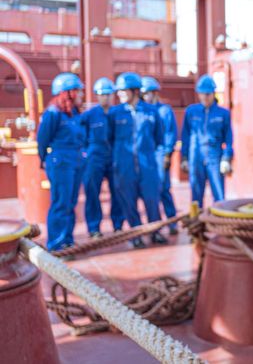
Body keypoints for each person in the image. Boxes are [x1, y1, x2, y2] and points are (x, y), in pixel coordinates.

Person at [108, 71, 166, 248]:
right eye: (118, 91)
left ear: (134, 91)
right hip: (124, 166)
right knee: (128, 201)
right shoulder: (114, 113)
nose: (119, 94)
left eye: (123, 91)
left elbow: (159, 137)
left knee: (151, 200)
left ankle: (154, 232)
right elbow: (109, 138)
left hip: (147, 164)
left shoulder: (151, 112)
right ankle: (136, 235)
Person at [37, 72, 86, 251]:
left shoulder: (73, 113)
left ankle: (67, 240)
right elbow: (42, 140)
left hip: (75, 161)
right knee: (61, 202)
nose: (81, 95)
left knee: (71, 203)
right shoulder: (53, 113)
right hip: (60, 163)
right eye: (78, 91)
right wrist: (44, 160)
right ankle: (56, 244)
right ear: (67, 92)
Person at [181, 75, 234, 208]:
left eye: (207, 94)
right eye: (202, 94)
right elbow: (185, 136)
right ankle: (196, 225)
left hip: (214, 156)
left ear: (213, 94)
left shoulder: (223, 113)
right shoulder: (191, 112)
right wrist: (184, 158)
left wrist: (226, 158)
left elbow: (228, 138)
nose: (205, 97)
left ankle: (221, 225)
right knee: (196, 195)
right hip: (195, 156)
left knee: (219, 194)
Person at [81, 77, 123, 236]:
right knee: (92, 193)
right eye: (102, 94)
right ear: (97, 96)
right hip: (94, 158)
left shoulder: (117, 113)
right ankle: (94, 228)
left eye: (108, 94)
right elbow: (80, 136)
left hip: (113, 158)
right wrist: (85, 154)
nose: (105, 97)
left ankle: (118, 224)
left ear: (113, 95)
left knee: (117, 193)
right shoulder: (89, 115)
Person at [141, 76, 179, 235]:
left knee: (164, 188)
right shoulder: (142, 111)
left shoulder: (164, 111)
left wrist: (167, 154)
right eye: (143, 94)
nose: (145, 97)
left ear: (155, 93)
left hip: (161, 153)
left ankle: (172, 221)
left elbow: (170, 133)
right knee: (150, 191)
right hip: (147, 155)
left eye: (148, 94)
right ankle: (155, 225)